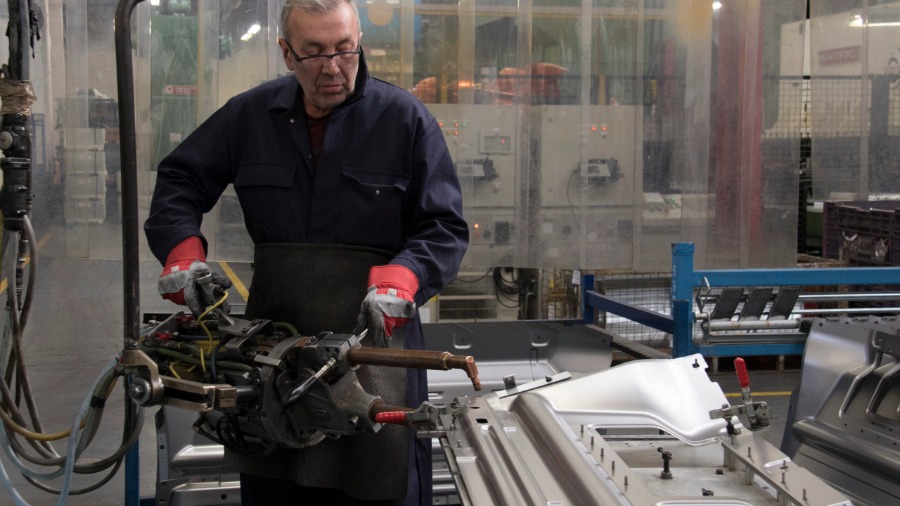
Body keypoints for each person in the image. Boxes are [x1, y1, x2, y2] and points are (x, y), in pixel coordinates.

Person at [143, 1, 469, 504]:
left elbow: (443, 226)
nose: (333, 67)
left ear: (359, 43)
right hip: (273, 350)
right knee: (274, 479)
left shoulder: (404, 119)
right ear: (287, 53)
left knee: (380, 477)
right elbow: (180, 180)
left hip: (373, 343)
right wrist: (182, 252)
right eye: (314, 53)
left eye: (345, 50)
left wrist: (405, 276)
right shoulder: (250, 116)